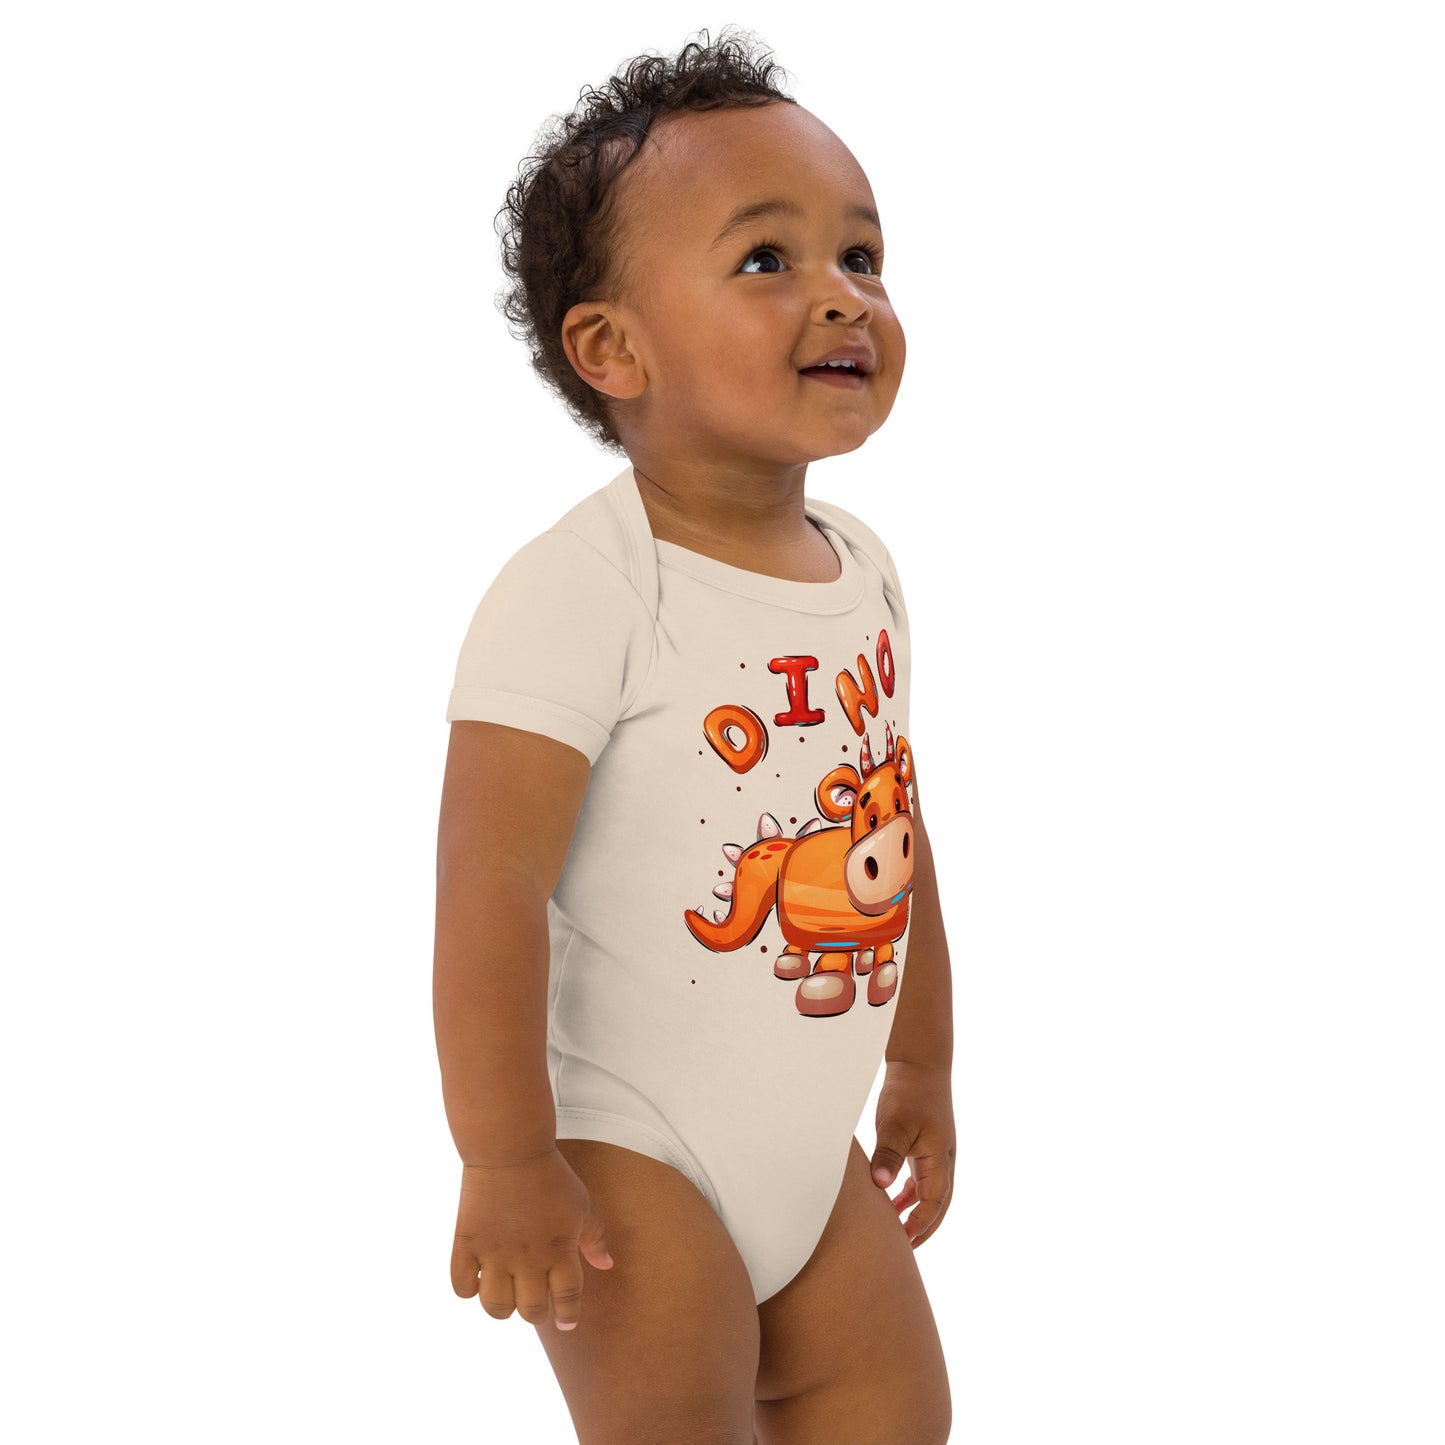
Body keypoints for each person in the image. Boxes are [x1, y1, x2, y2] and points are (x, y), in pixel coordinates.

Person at [433, 31, 955, 1444]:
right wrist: (504, 1154)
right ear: (613, 348)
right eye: (766, 259)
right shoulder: (582, 590)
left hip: (809, 1147)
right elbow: (488, 886)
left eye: (862, 255)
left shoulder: (863, 567)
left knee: (900, 1416)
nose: (842, 295)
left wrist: (921, 1062)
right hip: (629, 1149)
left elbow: (893, 823)